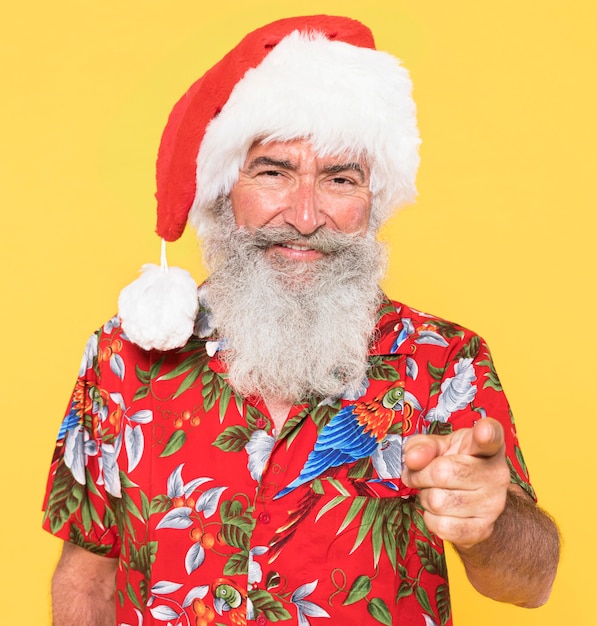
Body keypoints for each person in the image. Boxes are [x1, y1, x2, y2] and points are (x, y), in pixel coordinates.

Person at [42, 15, 560, 626]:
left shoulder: (445, 360)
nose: (306, 215)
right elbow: (88, 580)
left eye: (341, 179)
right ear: (222, 190)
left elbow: (533, 582)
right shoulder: (124, 359)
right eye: (273, 172)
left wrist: (490, 523)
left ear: (372, 202)